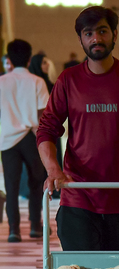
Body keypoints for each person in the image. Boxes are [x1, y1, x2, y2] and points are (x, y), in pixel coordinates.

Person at [37, 6, 119, 254]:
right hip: (77, 195)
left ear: (114, 34)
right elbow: (46, 129)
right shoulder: (69, 80)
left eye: (102, 31)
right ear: (81, 39)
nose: (96, 39)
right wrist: (53, 169)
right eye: (88, 33)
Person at [0, 40, 49, 242]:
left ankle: (14, 230)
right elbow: (43, 113)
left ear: (9, 59)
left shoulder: (1, 81)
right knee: (36, 182)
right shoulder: (37, 81)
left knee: (11, 185)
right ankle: (36, 226)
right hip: (31, 136)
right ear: (29, 59)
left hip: (8, 139)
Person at [28, 53, 63, 198]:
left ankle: (55, 188)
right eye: (43, 63)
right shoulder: (35, 83)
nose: (47, 65)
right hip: (37, 131)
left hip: (51, 130)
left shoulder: (51, 84)